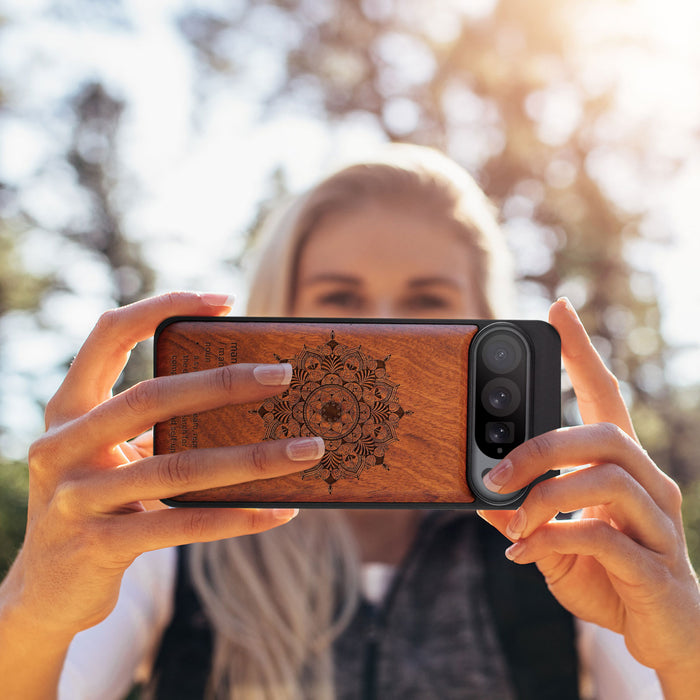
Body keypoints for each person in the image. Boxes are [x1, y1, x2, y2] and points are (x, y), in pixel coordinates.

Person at [0, 145, 698, 700]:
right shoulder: (170, 535)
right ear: (278, 312)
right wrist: (34, 607)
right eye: (340, 299)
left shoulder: (567, 544)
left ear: (486, 323)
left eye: (427, 302)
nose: (384, 327)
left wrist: (685, 648)